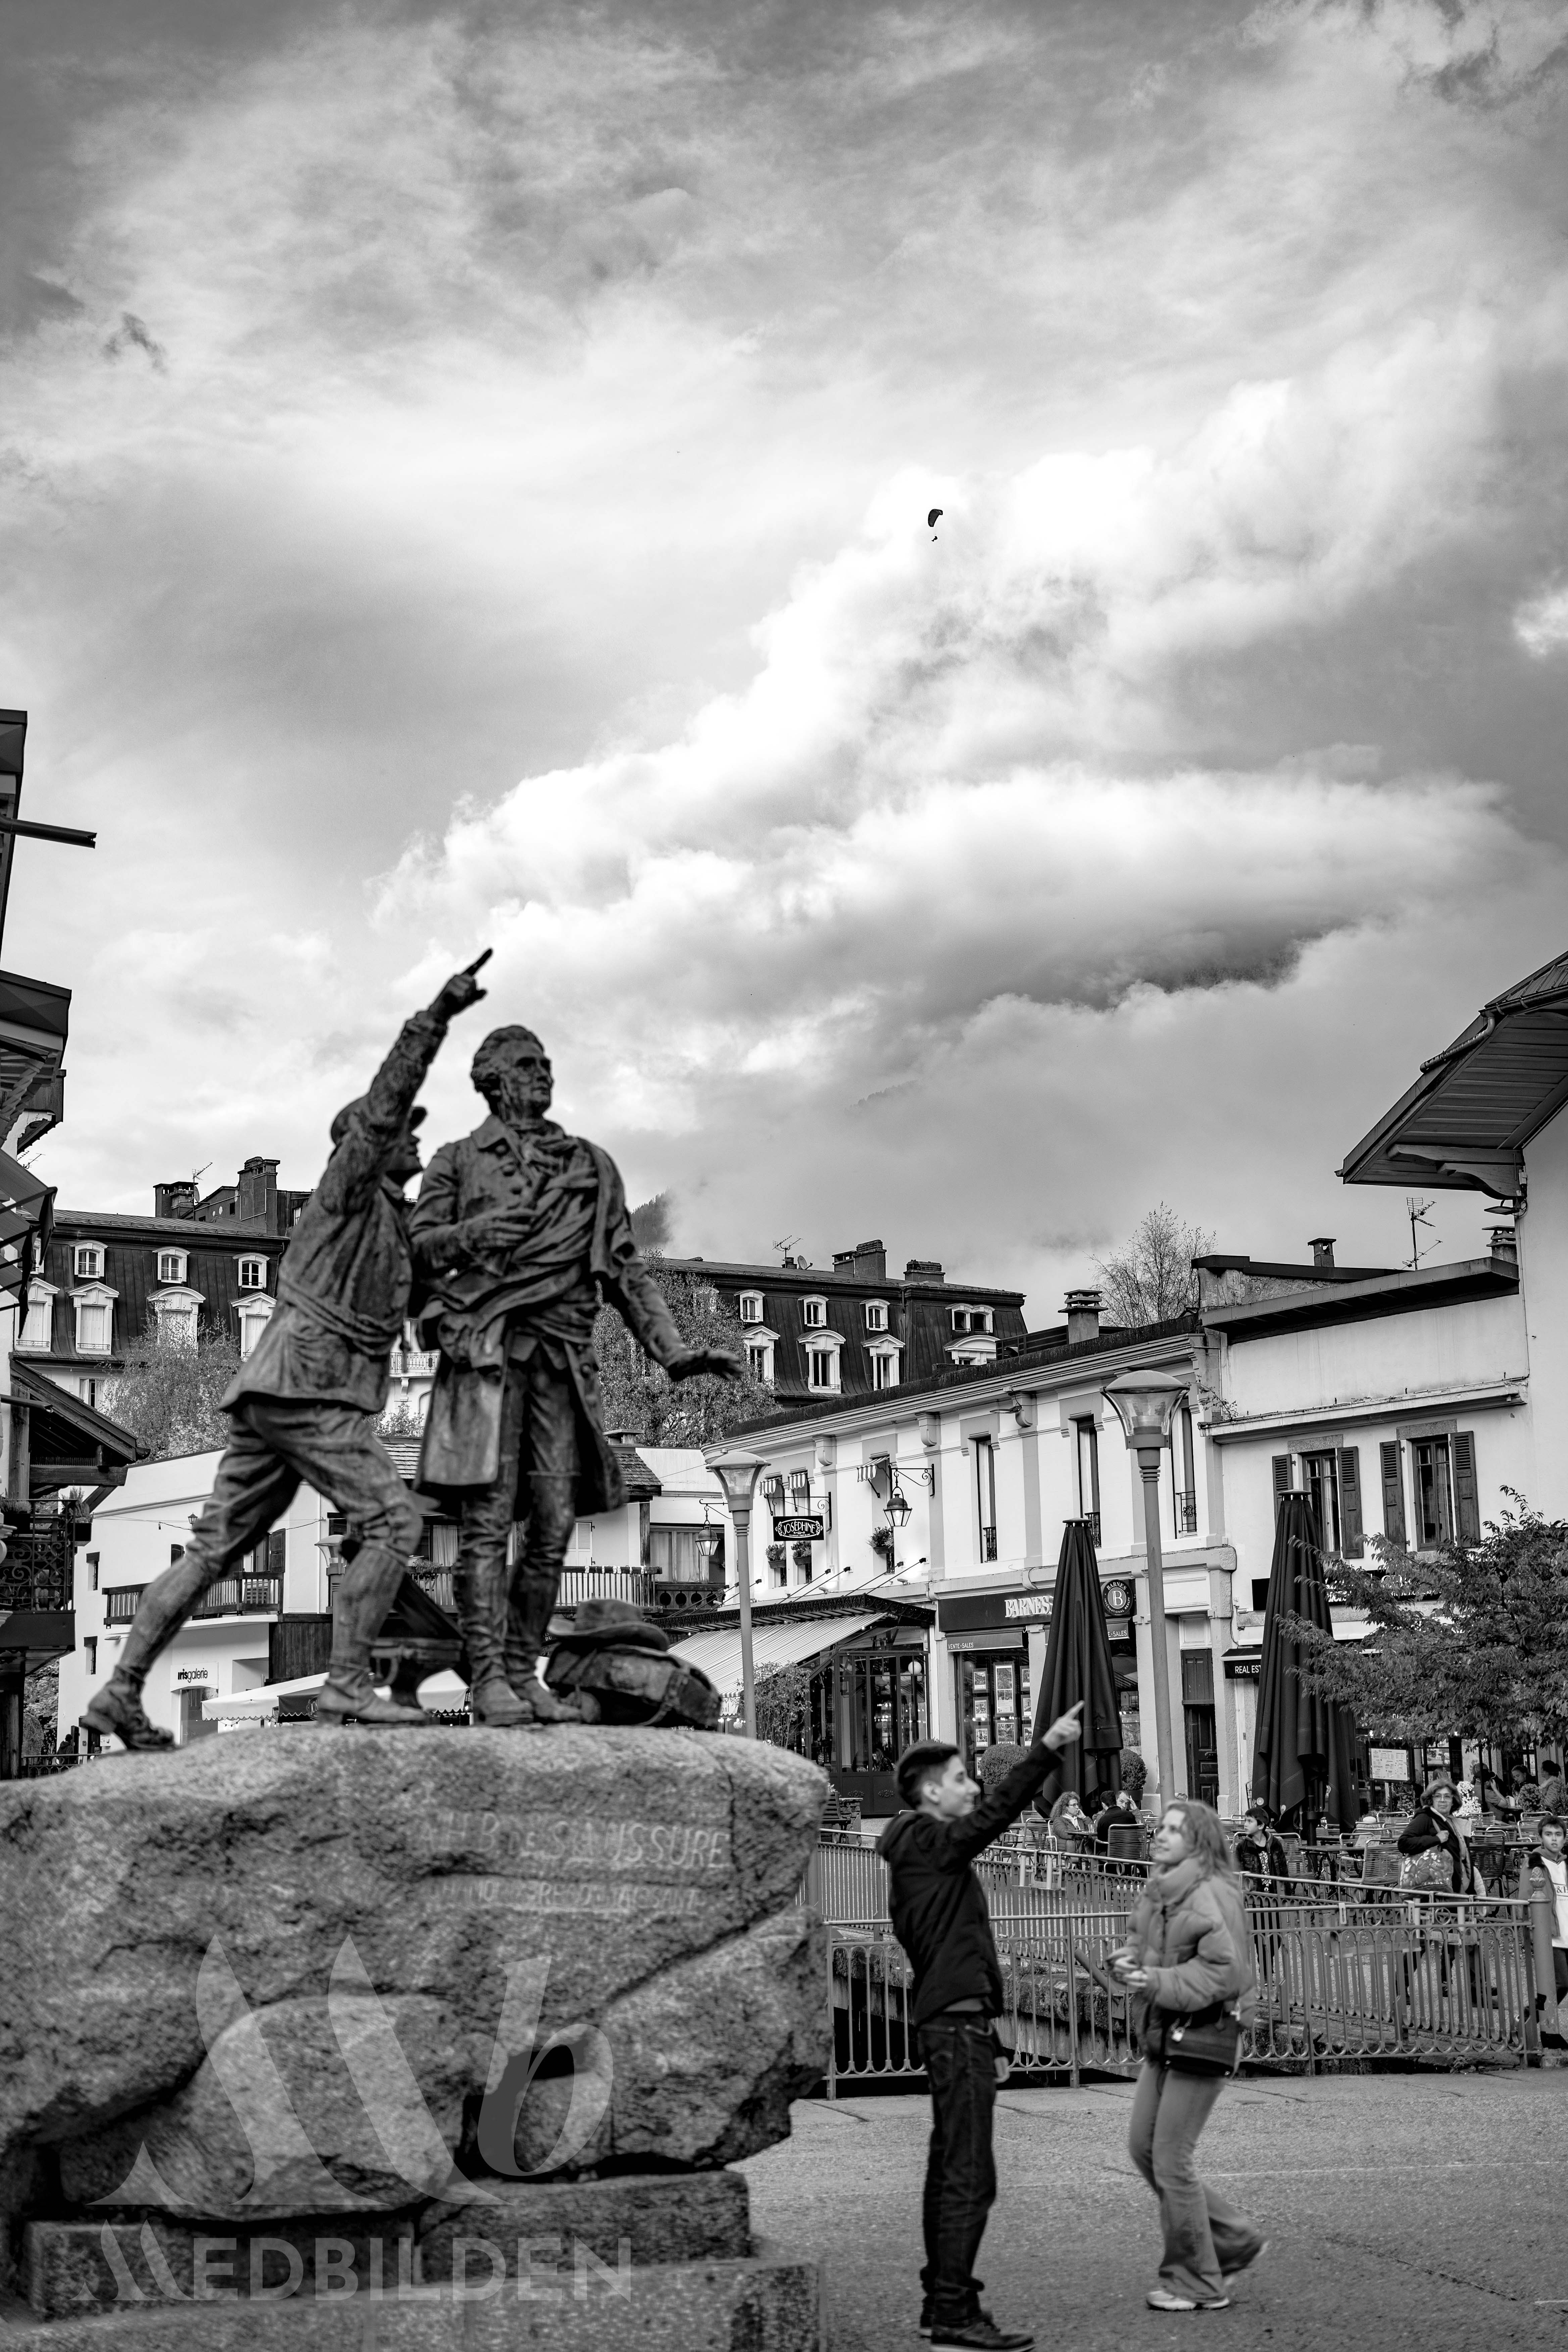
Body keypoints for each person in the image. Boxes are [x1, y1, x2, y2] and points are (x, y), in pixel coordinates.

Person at [83, 960, 492, 1748]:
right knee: (393, 1516)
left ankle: (120, 1695)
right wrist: (437, 1014)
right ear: (365, 1146)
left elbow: (426, 1304)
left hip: (284, 1396)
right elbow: (386, 1103)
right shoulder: (346, 1192)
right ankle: (345, 1686)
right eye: (403, 1132)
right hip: (311, 1393)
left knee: (213, 1550)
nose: (412, 1137)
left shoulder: (388, 1228)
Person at [410, 1024, 742, 1725]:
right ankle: (490, 1679)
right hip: (486, 1360)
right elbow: (414, 1252)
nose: (544, 1075)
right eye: (528, 1066)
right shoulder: (457, 1163)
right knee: (486, 1520)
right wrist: (473, 1237)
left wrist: (672, 1351)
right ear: (493, 1081)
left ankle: (525, 1670)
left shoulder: (589, 1165)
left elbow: (624, 1270)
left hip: (562, 1361)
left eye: (546, 1064)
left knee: (555, 1521)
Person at [878, 1701, 1085, 2351]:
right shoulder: (926, 1842)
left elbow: (955, 1955)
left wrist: (991, 2033)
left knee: (954, 2170)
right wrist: (1045, 1749)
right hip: (953, 2030)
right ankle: (949, 2313)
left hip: (960, 2025)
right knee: (968, 2173)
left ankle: (944, 2302)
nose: (972, 1787)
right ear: (932, 1791)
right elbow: (992, 1819)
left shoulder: (926, 1853)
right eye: (963, 1777)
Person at [1110, 1798, 1266, 2312]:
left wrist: (1151, 1979)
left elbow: (1225, 1975)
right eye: (1162, 1827)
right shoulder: (1164, 1890)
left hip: (1203, 2032)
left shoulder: (1212, 1893)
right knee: (1144, 2148)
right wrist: (1129, 1961)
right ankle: (1232, 2238)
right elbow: (1144, 1944)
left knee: (1171, 2160)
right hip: (1166, 2029)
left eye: (1174, 1830)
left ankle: (1199, 2282)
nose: (1160, 1835)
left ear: (1198, 1842)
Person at [1525, 1813, 1568, 2045]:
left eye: (1558, 1835)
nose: (1554, 1839)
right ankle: (1541, 2025)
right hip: (1550, 1935)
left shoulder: (1565, 1863)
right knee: (1561, 1982)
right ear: (1541, 1837)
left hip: (1567, 1931)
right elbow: (1526, 1897)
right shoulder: (1536, 1862)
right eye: (1549, 1834)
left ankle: (1529, 2016)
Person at [1398, 1779, 1476, 1894]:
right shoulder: (1425, 1818)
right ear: (1431, 1801)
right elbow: (1404, 1843)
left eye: (1447, 1797)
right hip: (1434, 1892)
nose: (1443, 1800)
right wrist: (1436, 1839)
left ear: (1453, 1801)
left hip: (1453, 1889)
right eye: (1438, 1796)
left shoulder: (1453, 1823)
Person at [1233, 1806, 1289, 1897]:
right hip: (1254, 1896)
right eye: (1245, 1821)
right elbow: (1237, 1873)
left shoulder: (1275, 1844)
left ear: (1261, 1826)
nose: (1246, 1825)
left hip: (1275, 1894)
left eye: (1250, 1821)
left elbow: (1284, 1871)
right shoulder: (1243, 1847)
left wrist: (1287, 1896)